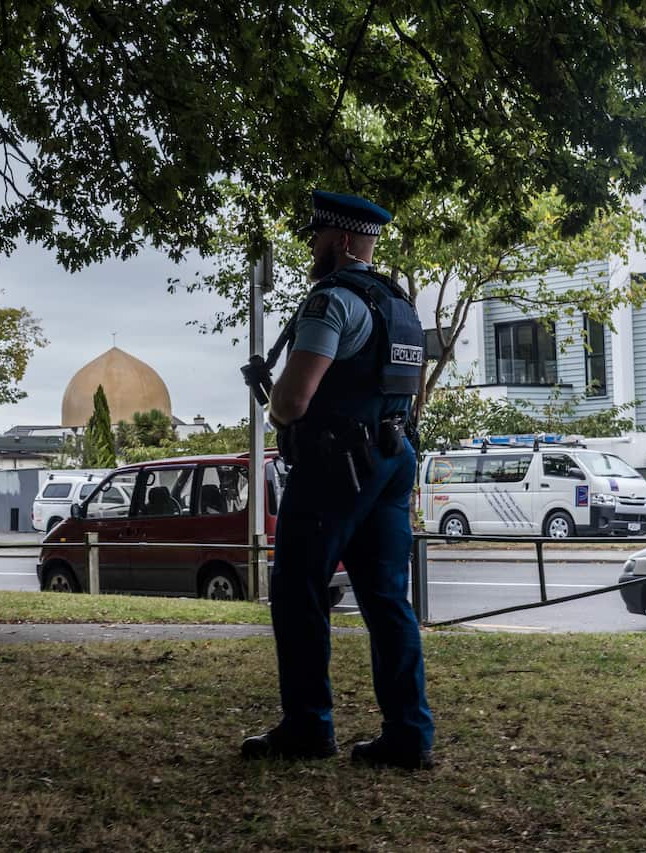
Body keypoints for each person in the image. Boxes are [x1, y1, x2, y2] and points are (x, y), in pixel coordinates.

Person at [241, 190, 434, 770]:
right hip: (392, 458)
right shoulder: (400, 305)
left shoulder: (331, 303)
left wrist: (274, 402)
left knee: (298, 588)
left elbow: (293, 402)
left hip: (336, 468)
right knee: (385, 599)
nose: (312, 248)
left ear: (342, 241)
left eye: (318, 238)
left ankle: (308, 725)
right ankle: (408, 733)